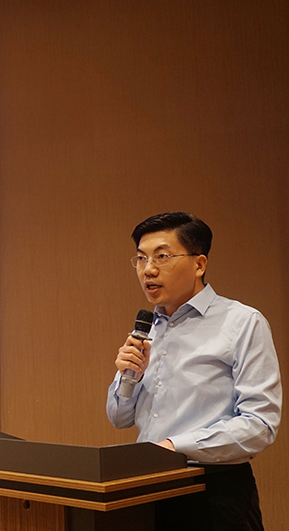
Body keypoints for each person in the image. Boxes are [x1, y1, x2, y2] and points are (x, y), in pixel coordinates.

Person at [106, 211, 281, 531]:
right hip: (147, 489)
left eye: (162, 256)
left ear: (199, 264)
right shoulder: (148, 329)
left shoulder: (242, 322)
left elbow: (260, 425)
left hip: (213, 492)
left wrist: (174, 447)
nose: (148, 269)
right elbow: (119, 418)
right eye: (141, 258)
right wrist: (131, 375)